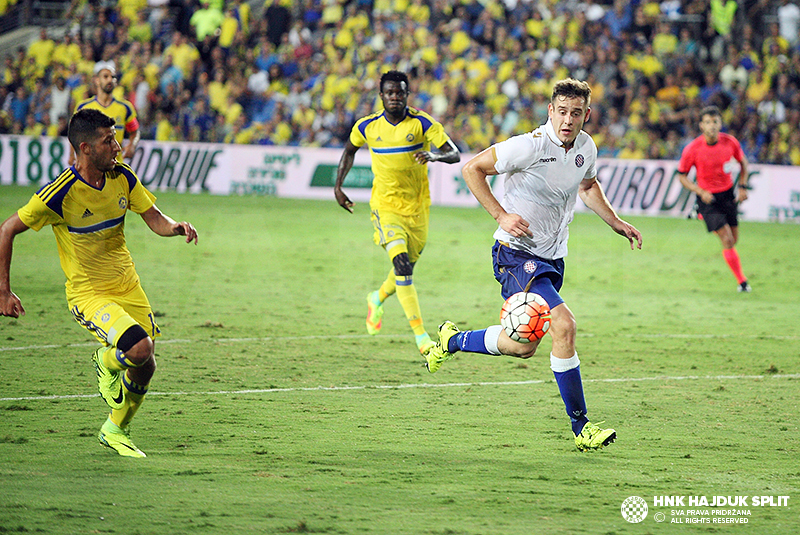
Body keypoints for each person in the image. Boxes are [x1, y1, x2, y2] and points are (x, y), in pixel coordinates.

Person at [426, 79, 643, 452]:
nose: (568, 120)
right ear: (550, 111)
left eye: (576, 113)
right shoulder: (528, 146)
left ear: (586, 115)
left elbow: (588, 188)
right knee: (564, 325)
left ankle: (453, 339)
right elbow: (472, 169)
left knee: (522, 345)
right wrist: (501, 214)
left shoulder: (586, 148)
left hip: (553, 258)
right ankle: (582, 428)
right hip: (515, 254)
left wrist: (616, 222)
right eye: (561, 112)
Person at [0, 109, 198, 457]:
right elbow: (6, 230)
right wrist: (2, 290)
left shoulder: (122, 177)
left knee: (146, 362)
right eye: (109, 140)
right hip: (89, 293)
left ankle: (114, 428)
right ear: (86, 148)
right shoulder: (59, 194)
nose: (118, 147)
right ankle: (107, 361)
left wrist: (174, 227)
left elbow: (152, 216)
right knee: (138, 349)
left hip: (127, 284)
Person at [334, 71, 460, 356]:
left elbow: (453, 152)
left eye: (400, 93)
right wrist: (338, 186)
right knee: (402, 266)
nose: (394, 97)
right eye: (389, 93)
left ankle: (376, 298)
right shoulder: (367, 126)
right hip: (385, 206)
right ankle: (422, 338)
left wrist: (435, 156)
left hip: (417, 209)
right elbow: (349, 151)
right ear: (382, 96)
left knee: (405, 270)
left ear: (407, 94)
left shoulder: (423, 122)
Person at [676, 105, 751, 292]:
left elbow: (743, 163)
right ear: (701, 125)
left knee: (733, 240)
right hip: (707, 198)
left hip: (727, 196)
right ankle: (742, 282)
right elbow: (682, 176)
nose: (711, 126)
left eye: (715, 122)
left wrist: (742, 186)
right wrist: (699, 191)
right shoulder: (692, 149)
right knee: (726, 239)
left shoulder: (730, 143)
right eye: (707, 122)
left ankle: (699, 214)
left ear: (720, 124)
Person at [70, 61, 140, 165]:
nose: (110, 80)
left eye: (113, 77)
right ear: (97, 81)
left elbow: (134, 131)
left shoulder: (125, 108)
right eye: (106, 77)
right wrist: (72, 155)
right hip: (91, 165)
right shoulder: (83, 107)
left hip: (115, 164)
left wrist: (132, 145)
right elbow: (74, 133)